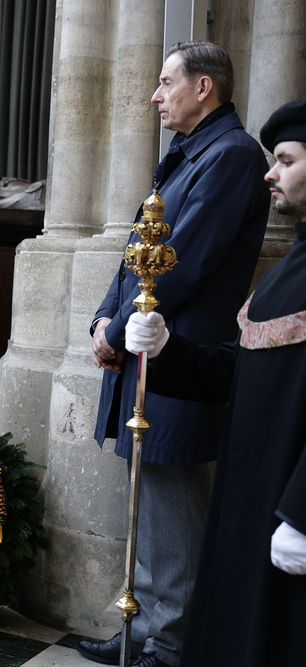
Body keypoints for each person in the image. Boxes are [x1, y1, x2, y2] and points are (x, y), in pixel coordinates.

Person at [78, 41, 271, 667]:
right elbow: (136, 253)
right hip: (144, 346)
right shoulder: (189, 152)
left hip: (178, 352)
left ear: (203, 88)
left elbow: (182, 261)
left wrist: (119, 330)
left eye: (166, 83)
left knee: (172, 502)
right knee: (149, 496)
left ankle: (171, 646)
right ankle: (143, 630)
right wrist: (103, 319)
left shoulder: (232, 154)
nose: (156, 96)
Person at [125, 95, 306, 667]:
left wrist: (303, 513)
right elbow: (239, 369)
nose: (271, 173)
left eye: (286, 161)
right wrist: (167, 350)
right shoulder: (289, 268)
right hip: (252, 499)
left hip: (289, 505)